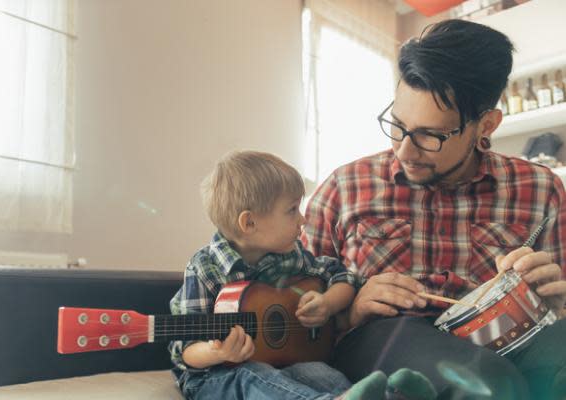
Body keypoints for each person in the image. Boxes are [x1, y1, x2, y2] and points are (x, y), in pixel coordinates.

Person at [303, 19, 566, 400]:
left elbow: (558, 308)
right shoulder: (344, 187)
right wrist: (351, 310)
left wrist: (557, 303)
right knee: (488, 385)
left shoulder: (542, 190)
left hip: (508, 332)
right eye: (397, 125)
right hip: (384, 336)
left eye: (430, 135)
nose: (404, 151)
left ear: (486, 125)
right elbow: (297, 320)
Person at [169, 150, 437, 400]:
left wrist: (328, 303)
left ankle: (392, 395)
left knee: (320, 371)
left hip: (285, 363)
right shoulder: (205, 268)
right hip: (215, 376)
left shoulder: (291, 255)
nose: (303, 219)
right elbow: (186, 351)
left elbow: (344, 278)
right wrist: (217, 351)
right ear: (249, 223)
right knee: (251, 375)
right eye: (291, 210)